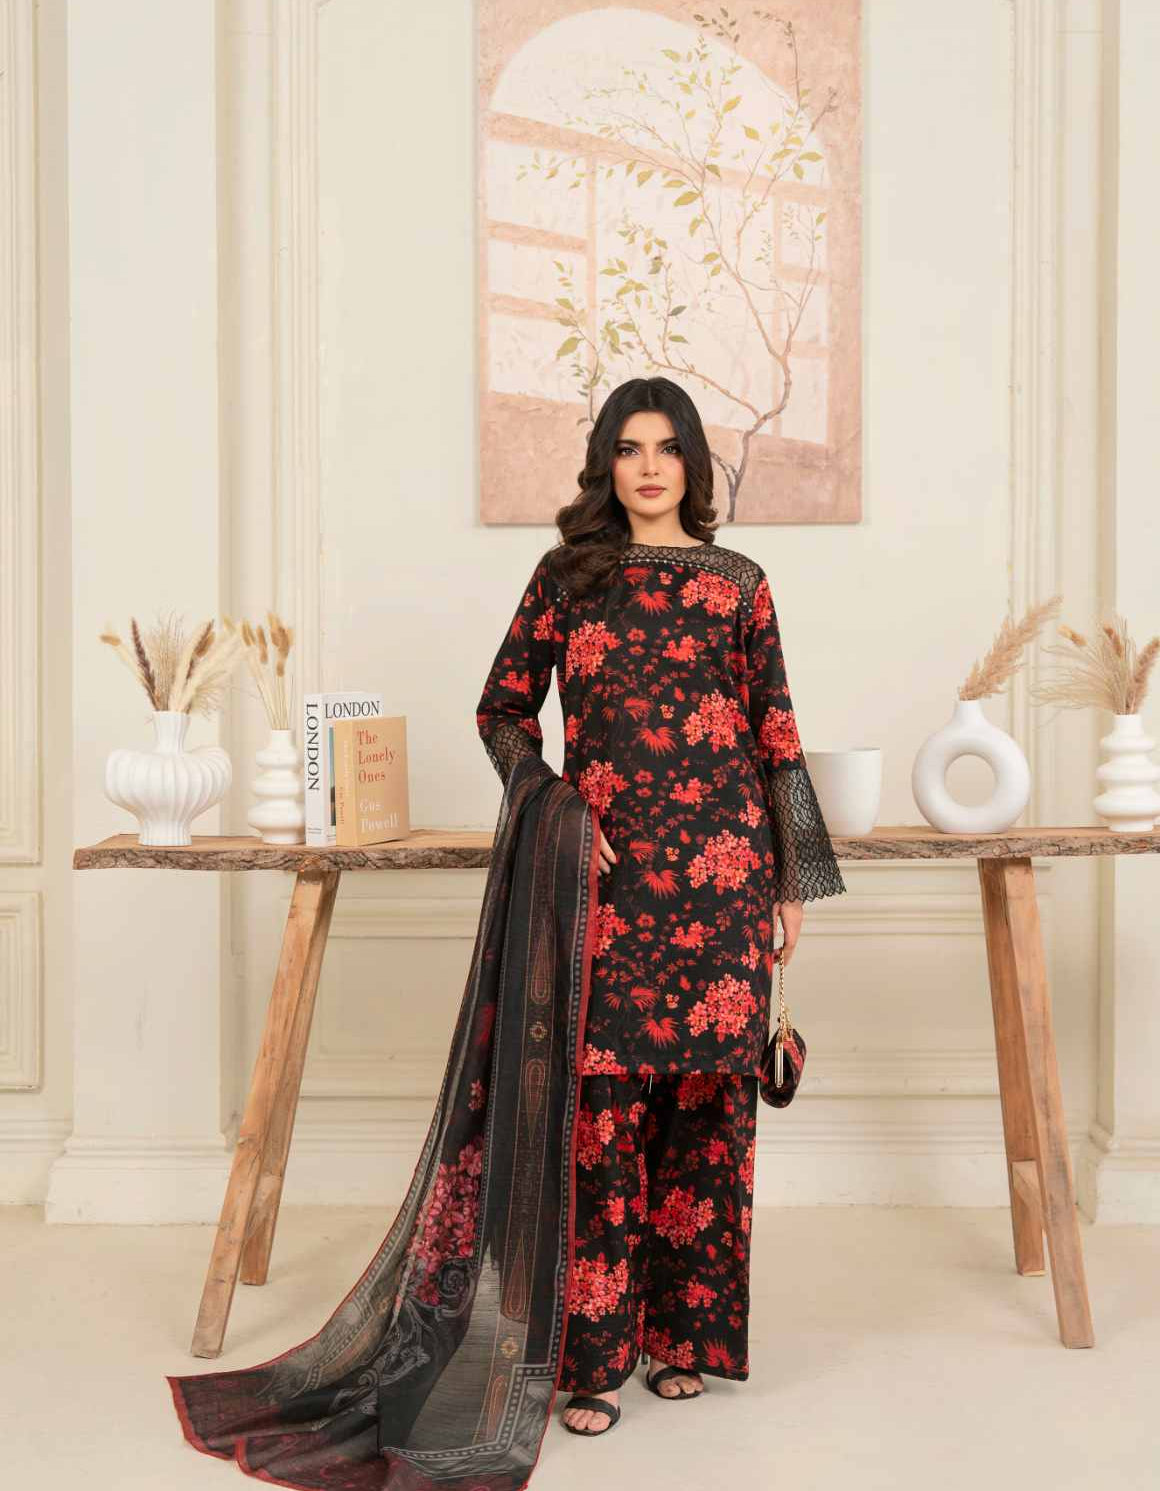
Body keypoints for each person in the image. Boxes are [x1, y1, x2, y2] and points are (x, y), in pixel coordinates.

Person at [475, 375, 847, 1437]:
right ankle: (591, 1357)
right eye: (629, 448)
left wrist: (792, 880)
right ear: (607, 463)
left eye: (667, 447)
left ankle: (683, 1342)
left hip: (725, 879)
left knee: (707, 1114)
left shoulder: (739, 585)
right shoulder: (568, 578)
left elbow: (777, 736)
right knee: (602, 1113)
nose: (648, 467)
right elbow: (501, 711)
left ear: (692, 462)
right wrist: (554, 806)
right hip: (608, 881)